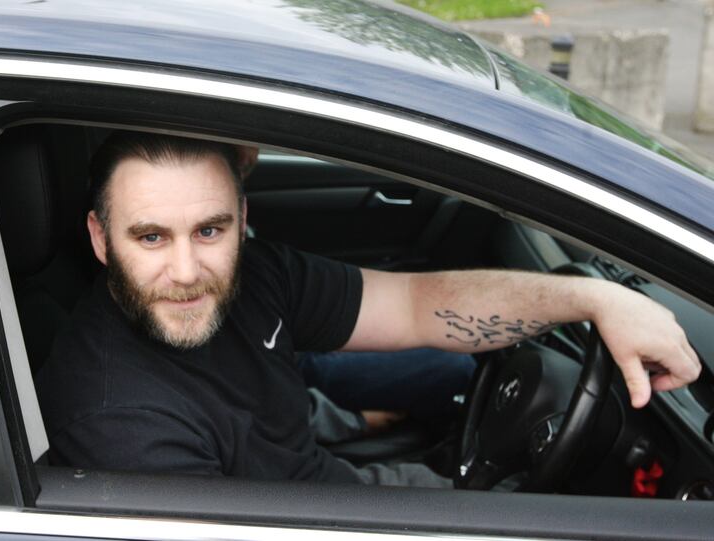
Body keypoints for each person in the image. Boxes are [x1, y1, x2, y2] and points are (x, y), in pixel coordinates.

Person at [36, 131, 700, 487]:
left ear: (243, 218)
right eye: (150, 236)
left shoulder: (258, 275)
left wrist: (591, 297)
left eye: (210, 230)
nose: (186, 271)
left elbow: (417, 303)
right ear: (100, 237)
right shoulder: (118, 421)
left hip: (333, 481)